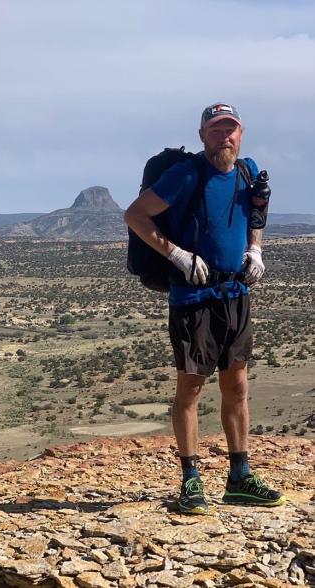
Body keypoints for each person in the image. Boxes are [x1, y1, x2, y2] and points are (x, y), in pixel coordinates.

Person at [124, 103, 285, 515]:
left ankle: (240, 478)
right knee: (191, 387)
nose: (224, 137)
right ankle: (191, 480)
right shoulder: (186, 174)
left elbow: (257, 211)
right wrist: (176, 254)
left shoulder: (247, 171)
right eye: (215, 130)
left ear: (241, 134)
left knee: (237, 385)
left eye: (230, 130)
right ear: (202, 135)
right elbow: (136, 215)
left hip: (235, 294)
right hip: (193, 298)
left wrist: (255, 249)